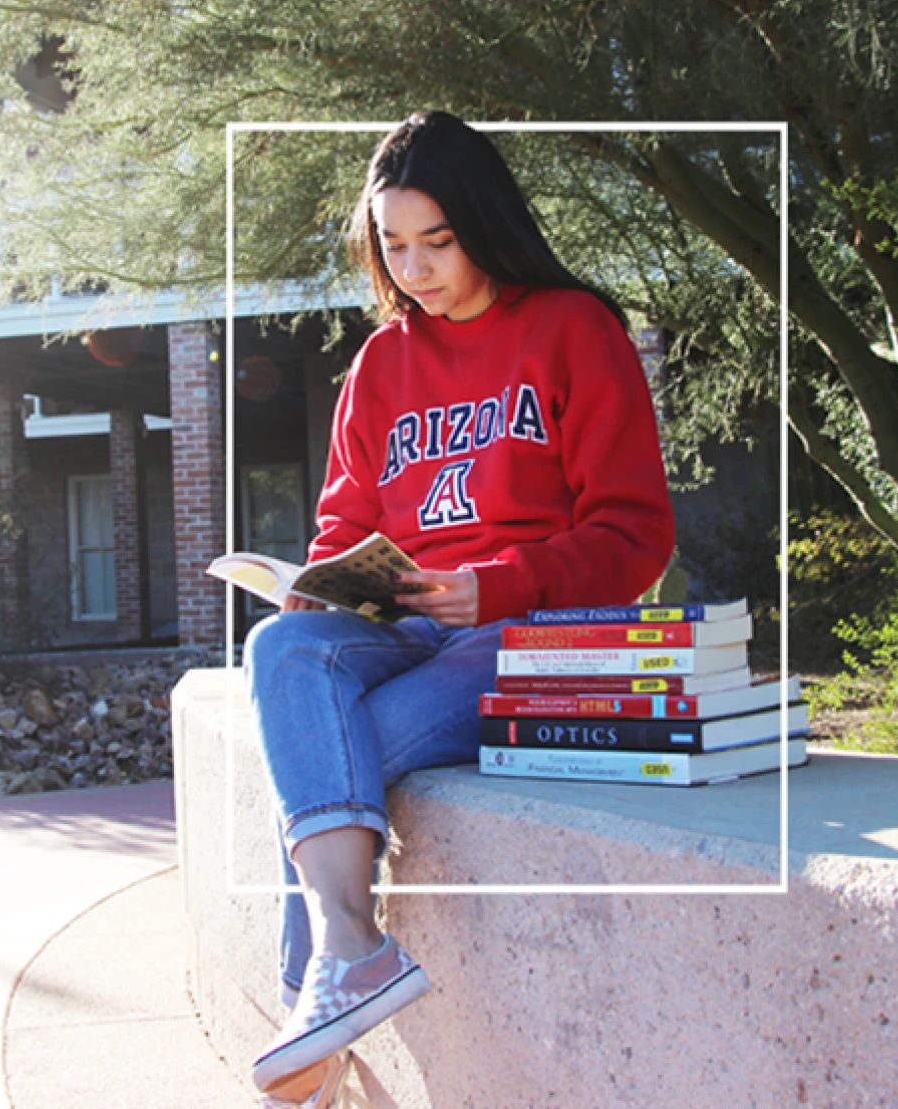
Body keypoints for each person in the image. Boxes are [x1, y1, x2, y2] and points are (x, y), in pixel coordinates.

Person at [244, 110, 675, 1105]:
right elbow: (341, 526)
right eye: (394, 245)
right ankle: (348, 951)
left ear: (483, 222)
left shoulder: (574, 331)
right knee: (283, 650)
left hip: (524, 636)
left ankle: (311, 1011)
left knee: (322, 753)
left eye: (437, 240)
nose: (416, 266)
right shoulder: (379, 368)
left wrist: (497, 583)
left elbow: (635, 538)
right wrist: (328, 589)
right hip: (402, 629)